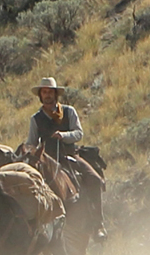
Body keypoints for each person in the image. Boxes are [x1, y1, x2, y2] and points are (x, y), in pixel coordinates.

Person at [24, 77, 105, 238]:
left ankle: (98, 225)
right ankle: (31, 231)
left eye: (50, 92)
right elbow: (31, 143)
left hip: (70, 156)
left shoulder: (69, 111)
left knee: (94, 179)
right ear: (40, 95)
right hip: (47, 161)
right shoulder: (36, 119)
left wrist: (64, 135)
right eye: (44, 92)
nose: (47, 95)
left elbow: (78, 133)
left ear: (55, 94)